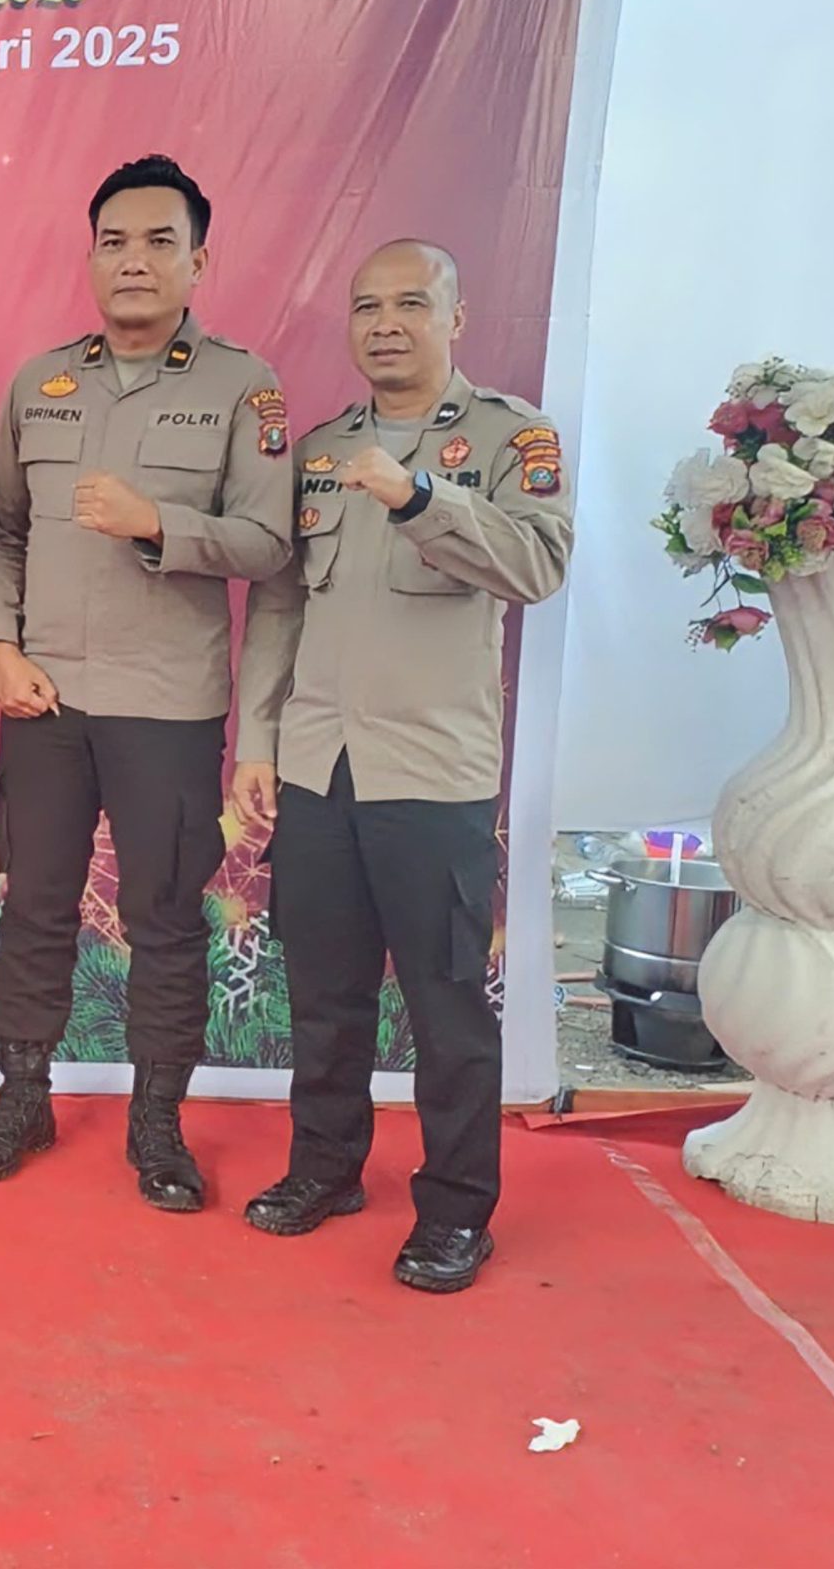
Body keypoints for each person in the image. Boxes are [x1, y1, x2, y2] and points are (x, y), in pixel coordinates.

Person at [231, 240, 572, 1294]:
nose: (385, 323)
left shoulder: (511, 436)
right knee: (323, 991)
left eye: (410, 304)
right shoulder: (323, 448)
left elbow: (538, 565)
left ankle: (457, 1210)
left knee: (445, 1006)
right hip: (319, 764)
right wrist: (258, 739)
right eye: (367, 305)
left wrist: (422, 498)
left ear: (454, 318)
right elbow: (280, 603)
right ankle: (325, 1167)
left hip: (431, 773)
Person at [0, 155, 294, 1207]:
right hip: (46, 697)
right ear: (91, 258)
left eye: (158, 242)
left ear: (199, 261)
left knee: (164, 916)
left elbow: (269, 541)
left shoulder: (242, 385)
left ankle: (157, 1123)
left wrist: (160, 524)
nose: (134, 260)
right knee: (35, 905)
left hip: (167, 705)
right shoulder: (40, 382)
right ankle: (23, 1096)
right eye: (113, 242)